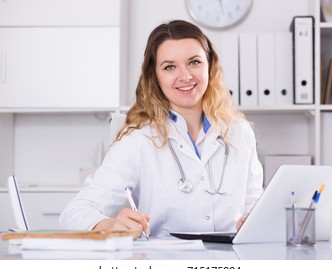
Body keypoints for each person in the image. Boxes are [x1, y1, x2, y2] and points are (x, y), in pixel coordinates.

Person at [60, 19, 263, 238]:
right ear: (155, 76)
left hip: (230, 266)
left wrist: (255, 221)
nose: (185, 76)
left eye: (194, 62)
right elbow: (74, 213)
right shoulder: (138, 139)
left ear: (210, 65)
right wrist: (108, 225)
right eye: (169, 67)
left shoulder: (239, 133)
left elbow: (256, 208)